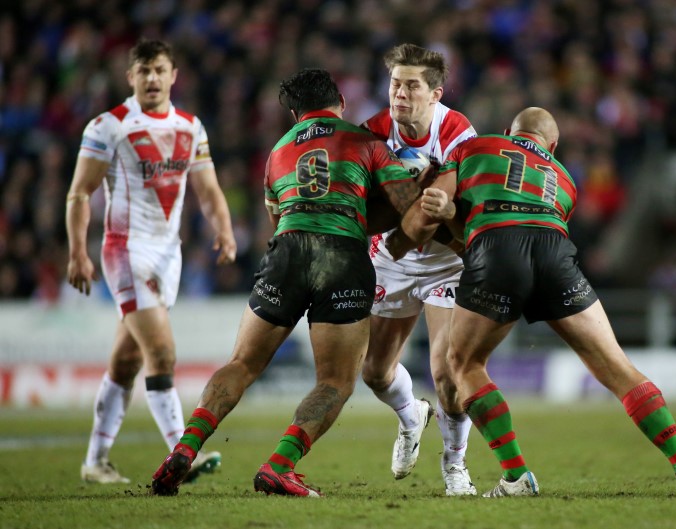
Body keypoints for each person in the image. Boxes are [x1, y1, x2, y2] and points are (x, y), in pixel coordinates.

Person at [386, 107, 676, 497]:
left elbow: (463, 219)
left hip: (498, 248)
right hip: (554, 252)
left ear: (510, 131)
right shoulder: (565, 180)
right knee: (615, 365)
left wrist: (408, 233)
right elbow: (535, 222)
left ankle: (516, 476)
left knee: (463, 363)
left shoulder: (478, 146)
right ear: (553, 147)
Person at [150, 68, 424, 498]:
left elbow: (276, 219)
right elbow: (410, 208)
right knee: (335, 380)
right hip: (342, 256)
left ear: (295, 114)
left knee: (242, 363)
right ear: (341, 103)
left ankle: (184, 448)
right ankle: (281, 464)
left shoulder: (277, 151)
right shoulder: (363, 141)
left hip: (287, 251)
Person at [66, 39, 237, 484]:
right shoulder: (108, 126)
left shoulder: (190, 126)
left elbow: (208, 189)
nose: (152, 79)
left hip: (167, 255)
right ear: (130, 78)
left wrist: (224, 228)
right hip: (125, 250)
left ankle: (95, 462)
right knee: (161, 352)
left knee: (125, 363)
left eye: (159, 70)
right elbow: (80, 192)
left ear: (174, 74)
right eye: (143, 71)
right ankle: (183, 453)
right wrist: (77, 251)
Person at [361, 43, 479, 496]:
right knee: (373, 371)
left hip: (445, 262)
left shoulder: (458, 133)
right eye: (395, 84)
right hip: (391, 258)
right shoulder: (372, 132)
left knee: (450, 371)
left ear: (435, 93)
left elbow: (466, 209)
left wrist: (448, 208)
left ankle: (455, 466)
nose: (400, 94)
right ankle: (412, 415)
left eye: (412, 86)